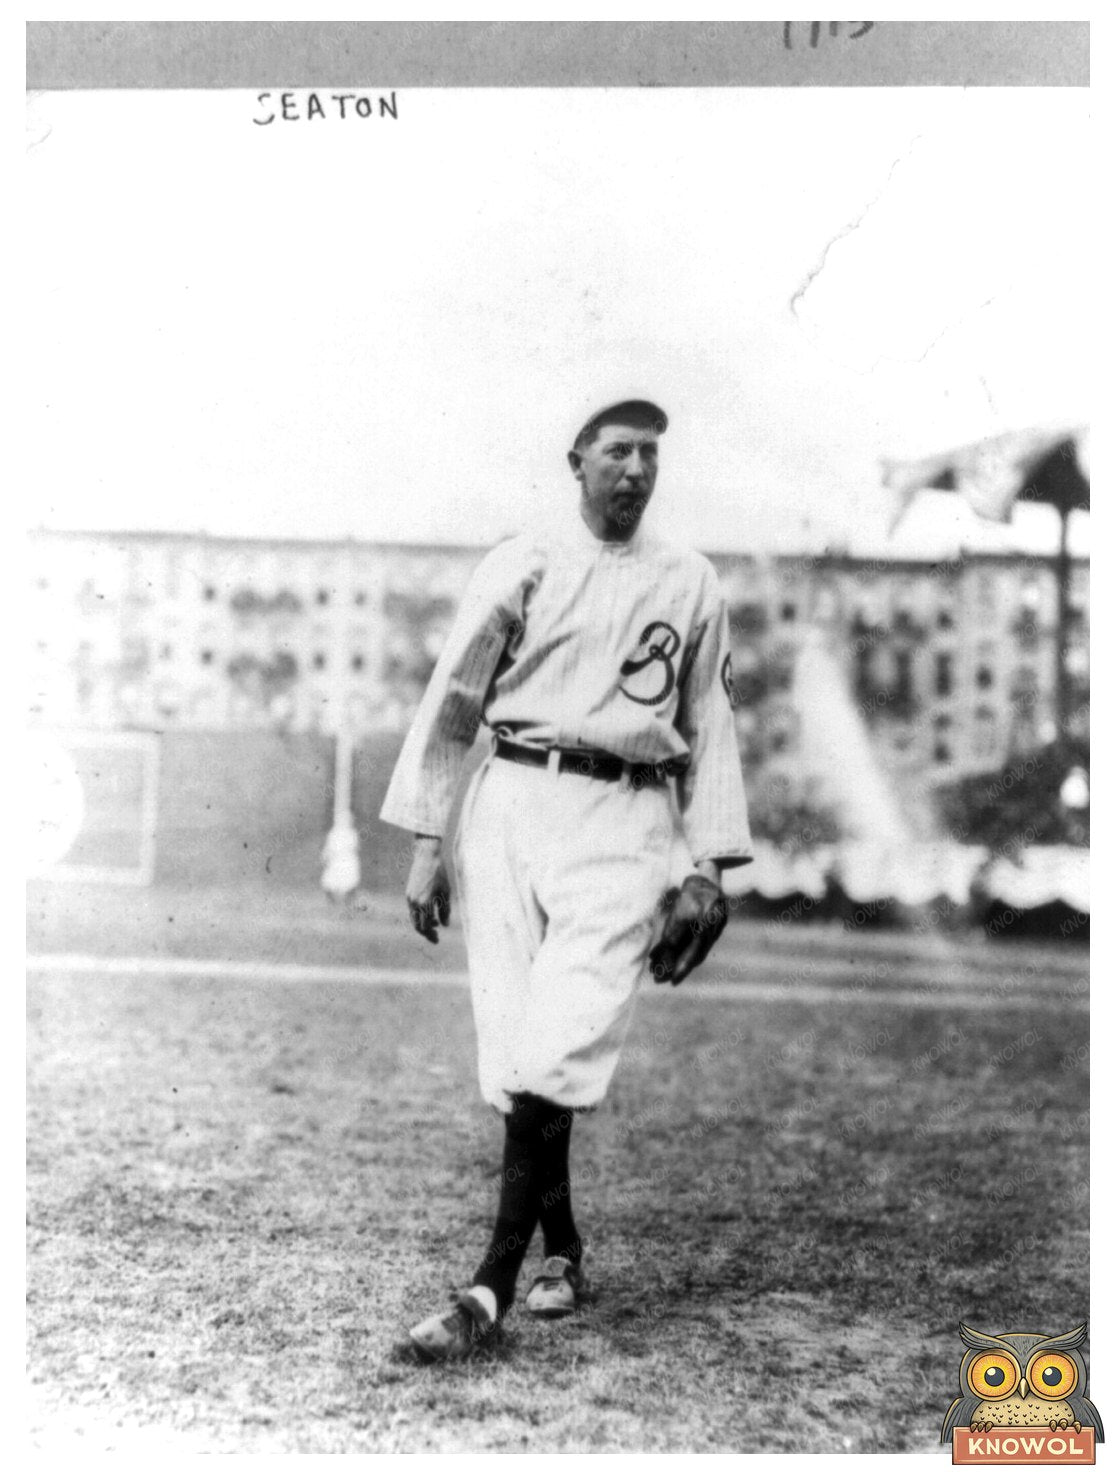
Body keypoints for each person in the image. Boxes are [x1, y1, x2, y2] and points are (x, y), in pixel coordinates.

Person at [379, 396, 753, 1360]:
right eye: (617, 450)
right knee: (515, 1061)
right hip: (510, 800)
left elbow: (710, 723)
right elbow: (454, 698)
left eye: (650, 454)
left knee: (556, 1048)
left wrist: (709, 864)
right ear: (577, 460)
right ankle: (567, 1248)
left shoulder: (690, 579)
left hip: (627, 816)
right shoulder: (524, 560)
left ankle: (486, 1288)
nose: (635, 469)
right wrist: (428, 838)